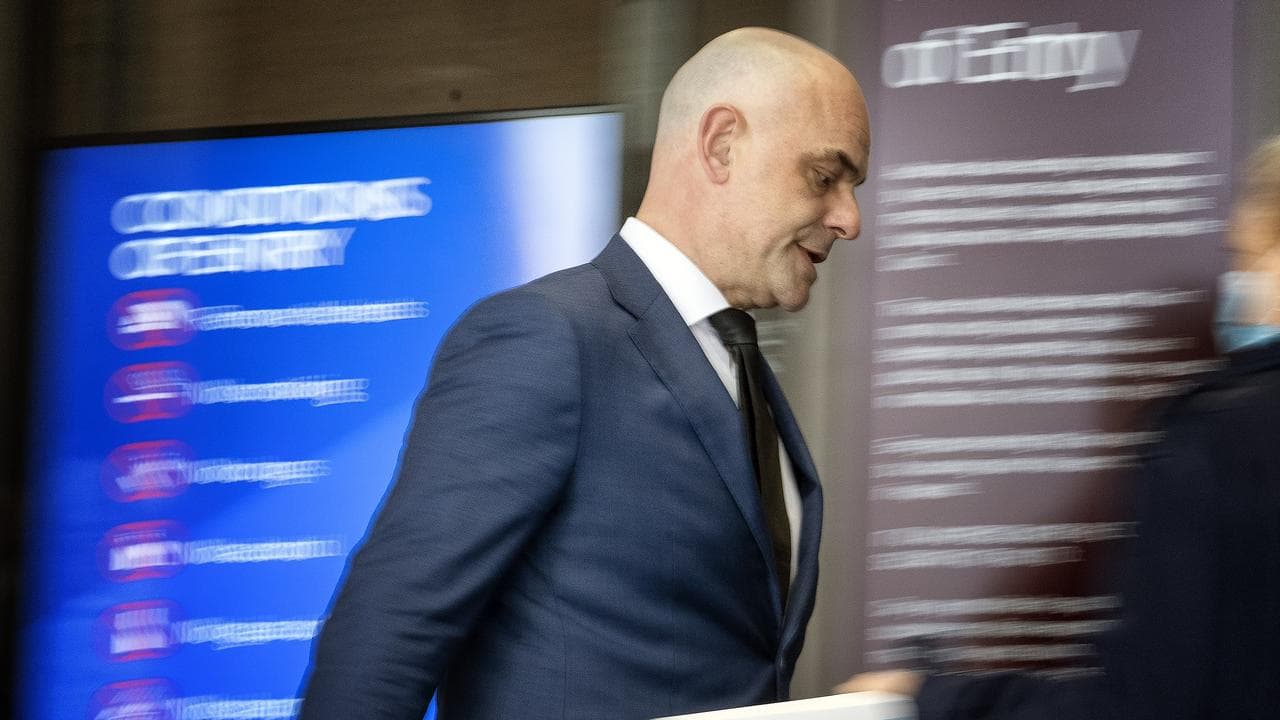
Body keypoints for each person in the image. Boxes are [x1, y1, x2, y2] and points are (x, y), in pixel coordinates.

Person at [298, 27, 870, 720]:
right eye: (824, 177)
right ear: (722, 144)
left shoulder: (744, 371)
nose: (849, 219)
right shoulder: (545, 337)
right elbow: (388, 634)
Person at [838, 134, 1280, 720]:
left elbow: (1140, 706)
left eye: (1244, 257)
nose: (1236, 285)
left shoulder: (1219, 441)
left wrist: (935, 696)